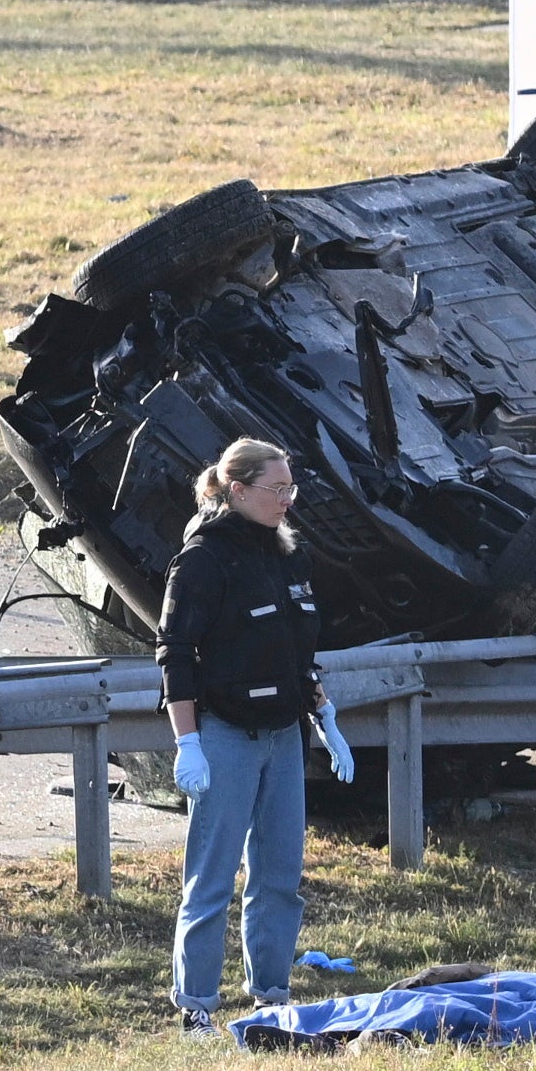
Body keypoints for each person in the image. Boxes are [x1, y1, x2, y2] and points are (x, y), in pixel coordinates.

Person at [158, 437, 343, 1026]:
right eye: (276, 489)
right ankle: (196, 1009)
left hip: (285, 736)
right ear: (237, 491)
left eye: (292, 488)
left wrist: (323, 713)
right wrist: (188, 740)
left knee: (280, 876)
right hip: (225, 736)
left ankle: (272, 998)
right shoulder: (204, 559)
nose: (287, 500)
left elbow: (296, 646)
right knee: (210, 879)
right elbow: (176, 652)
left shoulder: (290, 555)